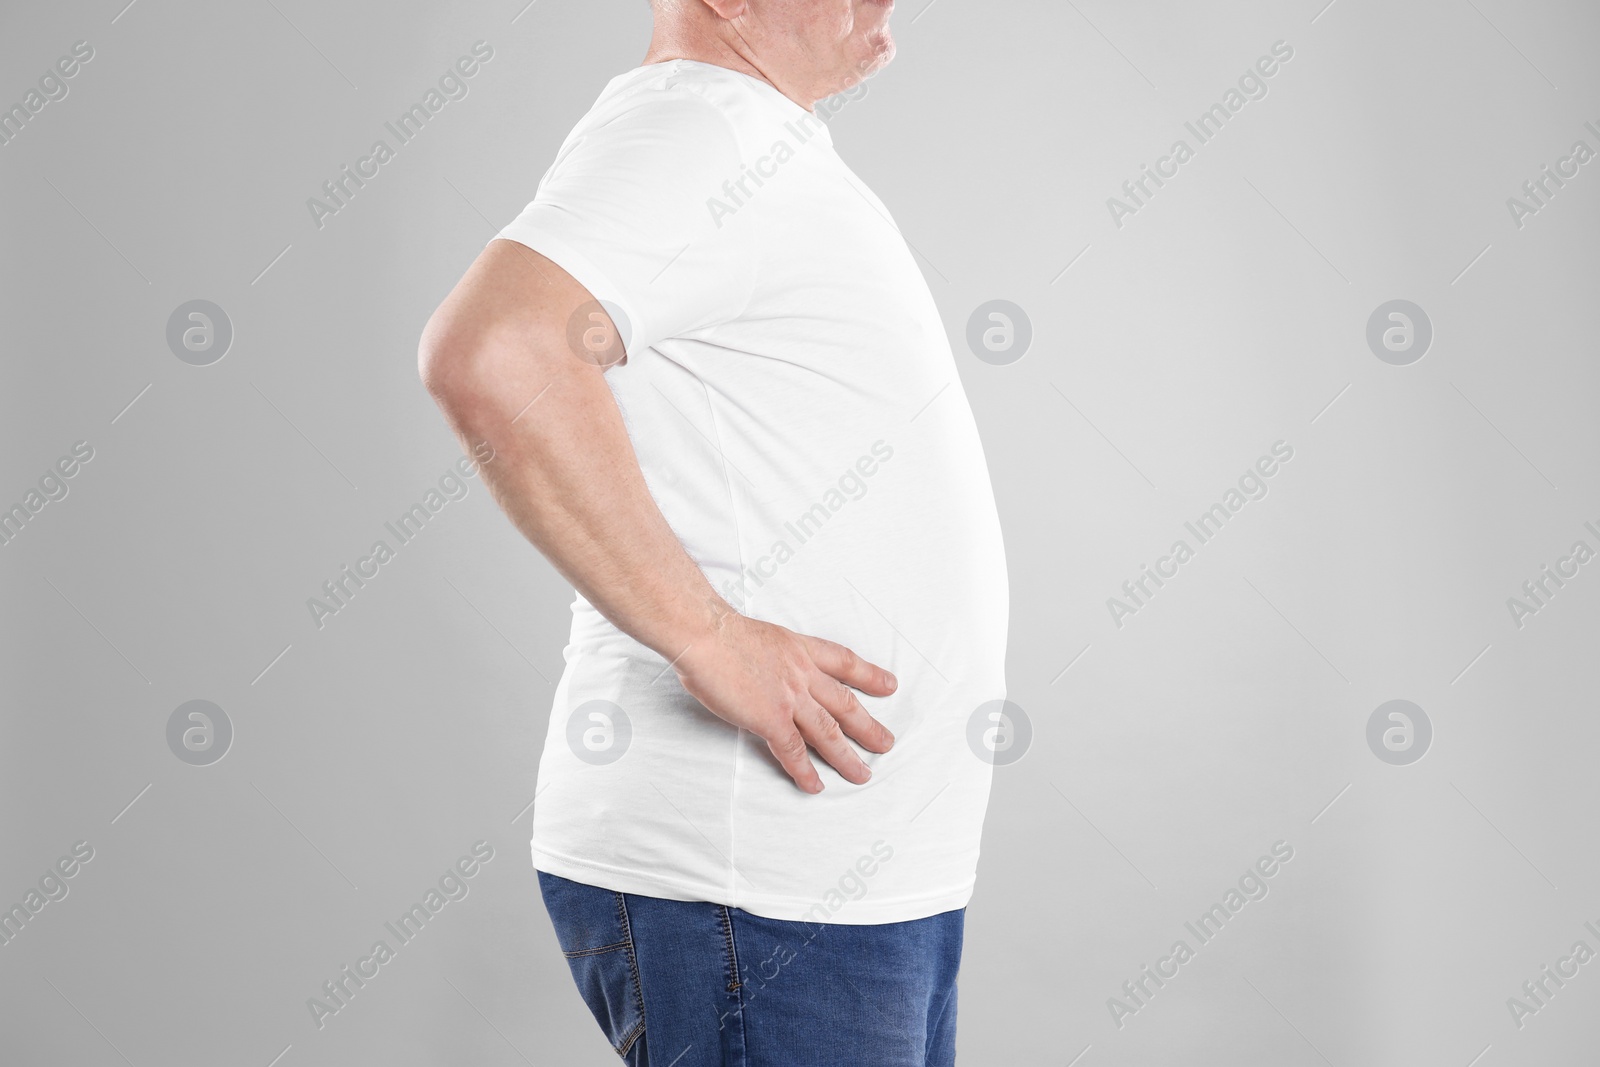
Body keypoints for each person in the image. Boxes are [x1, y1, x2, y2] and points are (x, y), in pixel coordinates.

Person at [418, 1, 1008, 1063]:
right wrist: (710, 637)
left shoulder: (750, 147)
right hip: (753, 888)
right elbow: (492, 349)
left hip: (838, 884)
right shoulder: (701, 131)